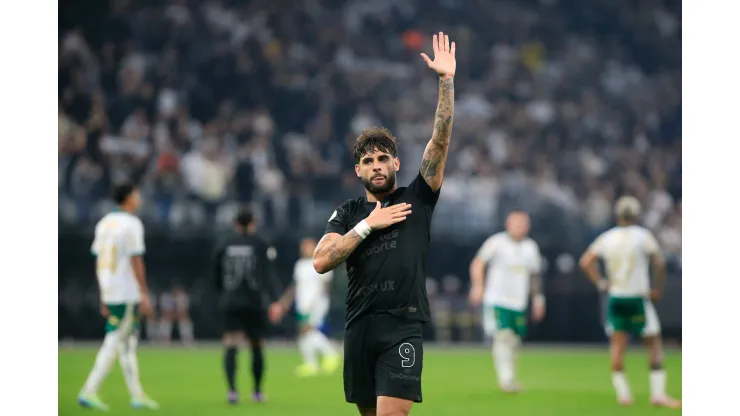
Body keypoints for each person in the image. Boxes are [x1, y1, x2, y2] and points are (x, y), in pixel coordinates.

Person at [308, 31, 456, 416]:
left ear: (396, 164)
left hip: (401, 327)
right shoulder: (349, 212)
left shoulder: (417, 197)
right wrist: (367, 226)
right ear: (358, 170)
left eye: (383, 158)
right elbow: (321, 261)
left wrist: (446, 82)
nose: (377, 165)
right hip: (358, 328)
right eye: (369, 161)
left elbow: (439, 142)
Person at [579, 196, 681, 409]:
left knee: (618, 346)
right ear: (636, 214)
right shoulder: (643, 236)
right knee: (653, 344)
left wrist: (601, 283)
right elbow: (659, 264)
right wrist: (657, 289)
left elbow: (586, 261)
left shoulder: (608, 237)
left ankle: (624, 394)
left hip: (616, 297)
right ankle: (658, 394)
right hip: (637, 298)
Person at [78, 183, 159, 410]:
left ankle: (137, 395)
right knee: (115, 339)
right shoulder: (132, 224)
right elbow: (136, 260)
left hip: (110, 288)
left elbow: (99, 260)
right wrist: (144, 293)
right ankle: (89, 390)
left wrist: (103, 292)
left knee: (127, 342)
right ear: (129, 197)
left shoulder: (104, 223)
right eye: (137, 194)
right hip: (126, 291)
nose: (139, 197)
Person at [468, 211, 545, 393]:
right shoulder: (496, 242)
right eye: (516, 223)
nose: (520, 227)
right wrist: (478, 287)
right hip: (497, 299)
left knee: (514, 340)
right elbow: (478, 264)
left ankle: (509, 376)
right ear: (508, 224)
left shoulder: (531, 247)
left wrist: (539, 300)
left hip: (518, 303)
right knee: (503, 336)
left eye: (523, 224)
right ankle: (506, 380)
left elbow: (535, 276)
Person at [213, 207, 281, 405]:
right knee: (257, 345)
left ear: (235, 223)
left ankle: (232, 391)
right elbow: (268, 274)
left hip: (231, 301)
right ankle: (257, 391)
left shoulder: (224, 243)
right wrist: (275, 299)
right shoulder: (261, 244)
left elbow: (215, 274)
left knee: (231, 344)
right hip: (254, 302)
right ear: (253, 222)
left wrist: (224, 292)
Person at [273, 238, 340, 377]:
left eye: (308, 246)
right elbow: (295, 286)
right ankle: (311, 364)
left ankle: (331, 353)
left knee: (308, 330)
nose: (305, 249)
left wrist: (318, 302)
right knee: (303, 333)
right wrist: (285, 302)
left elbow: (326, 286)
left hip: (316, 304)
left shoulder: (322, 261)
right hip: (302, 303)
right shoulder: (300, 265)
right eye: (303, 246)